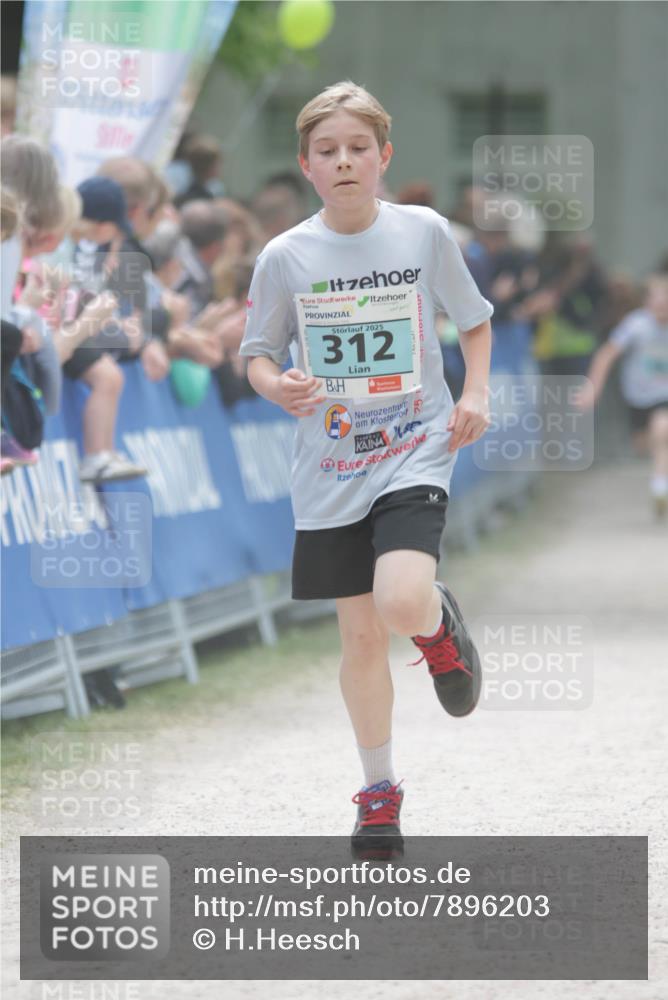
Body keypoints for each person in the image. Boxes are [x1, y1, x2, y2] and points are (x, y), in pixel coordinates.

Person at [239, 81, 493, 857]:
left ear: (383, 158)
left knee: (401, 599)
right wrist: (276, 385)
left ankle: (435, 623)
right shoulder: (284, 256)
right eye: (327, 151)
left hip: (415, 441)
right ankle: (378, 793)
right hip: (331, 462)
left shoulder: (422, 233)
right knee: (358, 640)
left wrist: (474, 392)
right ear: (306, 166)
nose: (344, 161)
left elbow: (475, 320)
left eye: (358, 148)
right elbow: (257, 352)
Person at [578, 272, 668, 518]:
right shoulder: (636, 325)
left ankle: (660, 487)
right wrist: (592, 387)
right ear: (647, 301)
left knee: (663, 431)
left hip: (665, 395)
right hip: (638, 397)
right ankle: (661, 476)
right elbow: (606, 354)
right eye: (657, 298)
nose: (662, 304)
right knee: (644, 445)